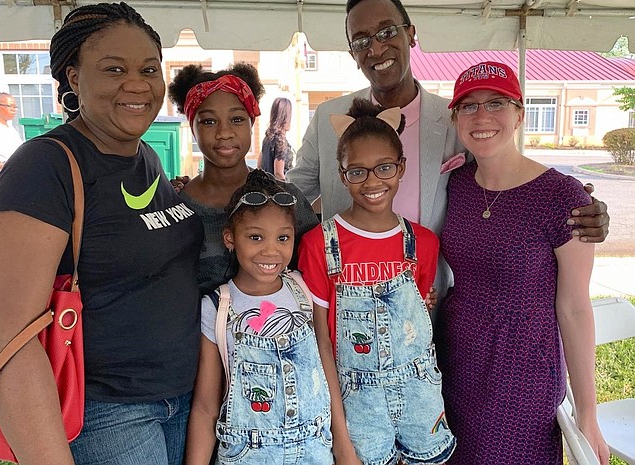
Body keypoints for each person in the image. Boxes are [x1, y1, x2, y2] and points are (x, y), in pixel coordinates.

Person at [0, 2, 204, 465]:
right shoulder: (44, 167)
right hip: (106, 416)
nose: (138, 84)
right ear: (74, 78)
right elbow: (8, 340)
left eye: (149, 68)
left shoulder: (145, 157)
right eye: (114, 69)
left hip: (183, 403)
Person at [286, 0, 609, 302]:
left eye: (387, 32)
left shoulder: (459, 119)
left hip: (431, 293)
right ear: (353, 54)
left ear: (411, 34)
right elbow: (293, 196)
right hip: (344, 297)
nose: (376, 49)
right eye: (362, 40)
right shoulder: (330, 118)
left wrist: (575, 207)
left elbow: (503, 184)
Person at [436, 61, 609, 465]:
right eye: (468, 106)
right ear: (456, 118)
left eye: (496, 103)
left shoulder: (563, 198)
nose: (481, 117)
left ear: (519, 114)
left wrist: (588, 413)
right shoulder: (457, 183)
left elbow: (575, 308)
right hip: (456, 359)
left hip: (523, 370)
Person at [299, 99, 456, 465]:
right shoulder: (319, 245)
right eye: (357, 171)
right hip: (356, 406)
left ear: (401, 168)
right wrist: (341, 438)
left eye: (384, 167)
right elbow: (322, 342)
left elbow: (416, 320)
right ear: (342, 175)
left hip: (421, 400)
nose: (372, 182)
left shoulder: (424, 243)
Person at [185, 169, 332, 465]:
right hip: (247, 455)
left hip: (315, 451)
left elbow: (328, 369)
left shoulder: (304, 289)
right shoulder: (216, 307)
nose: (271, 250)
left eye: (283, 238)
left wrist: (343, 445)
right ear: (230, 238)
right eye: (255, 237)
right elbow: (205, 407)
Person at [167, 64, 318, 297]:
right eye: (208, 121)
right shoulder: (174, 207)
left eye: (237, 119)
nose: (224, 132)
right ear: (192, 127)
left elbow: (316, 278)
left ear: (251, 123)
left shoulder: (286, 199)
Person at [257, 96, 294, 180]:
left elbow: (259, 165)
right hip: (278, 189)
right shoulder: (280, 141)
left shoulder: (267, 138)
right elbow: (278, 173)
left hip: (266, 186)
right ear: (286, 117)